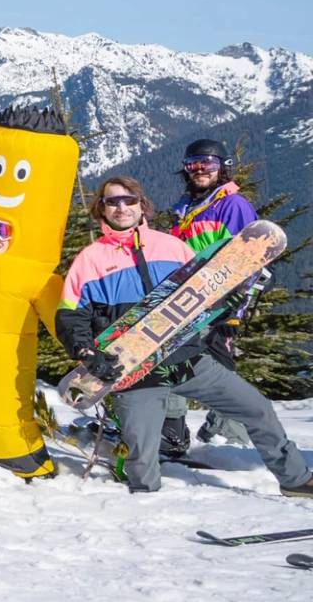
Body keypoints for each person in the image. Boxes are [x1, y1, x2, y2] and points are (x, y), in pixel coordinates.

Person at [56, 175, 310, 496]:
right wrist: (85, 352)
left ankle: (296, 479)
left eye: (129, 199)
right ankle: (146, 509)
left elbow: (208, 291)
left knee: (257, 409)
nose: (122, 207)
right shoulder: (91, 259)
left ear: (141, 204)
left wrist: (236, 295)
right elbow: (69, 313)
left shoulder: (173, 247)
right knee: (142, 460)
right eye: (112, 201)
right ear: (101, 209)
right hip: (135, 373)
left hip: (188, 360)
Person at [165, 137, 263, 455]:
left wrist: (235, 304)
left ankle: (225, 434)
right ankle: (183, 427)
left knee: (212, 362)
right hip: (186, 300)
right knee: (176, 357)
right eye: (192, 164)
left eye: (207, 163)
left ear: (222, 167)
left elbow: (252, 256)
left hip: (219, 301)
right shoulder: (186, 207)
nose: (199, 170)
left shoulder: (233, 205)